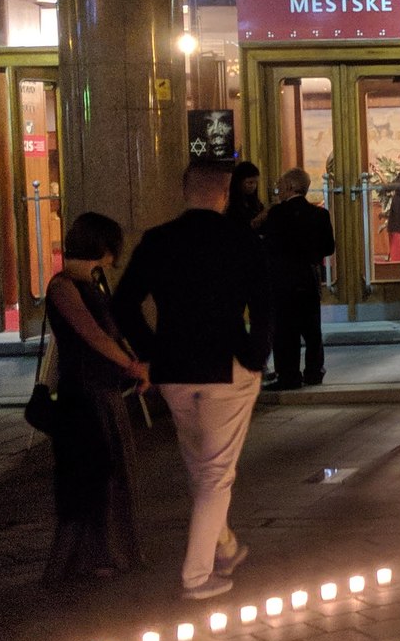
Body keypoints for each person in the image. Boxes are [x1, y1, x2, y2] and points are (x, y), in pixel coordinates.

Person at [113, 161, 271, 601]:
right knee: (216, 472)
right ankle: (198, 575)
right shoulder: (241, 239)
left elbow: (125, 303)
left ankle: (225, 544)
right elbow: (263, 305)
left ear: (184, 191)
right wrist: (256, 357)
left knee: (200, 463)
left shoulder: (158, 240)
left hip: (174, 366)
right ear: (225, 193)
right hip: (228, 365)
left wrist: (150, 352)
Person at [42, 212, 149, 585]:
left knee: (109, 474)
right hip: (83, 395)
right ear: (103, 246)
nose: (112, 258)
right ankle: (87, 557)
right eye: (110, 250)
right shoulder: (64, 286)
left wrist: (129, 365)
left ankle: (105, 554)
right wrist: (132, 366)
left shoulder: (89, 282)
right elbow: (93, 336)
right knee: (91, 476)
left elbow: (107, 334)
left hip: (100, 390)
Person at [259, 168, 334, 390]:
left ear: (291, 187)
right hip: (309, 276)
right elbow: (328, 247)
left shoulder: (277, 214)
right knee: (312, 328)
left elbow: (268, 244)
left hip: (282, 278)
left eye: (281, 186)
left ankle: (289, 375)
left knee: (285, 329)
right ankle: (314, 371)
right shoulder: (320, 214)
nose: (278, 190)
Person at [226, 159, 266, 229]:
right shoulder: (232, 205)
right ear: (239, 182)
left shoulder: (255, 202)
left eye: (256, 182)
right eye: (250, 182)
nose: (253, 186)